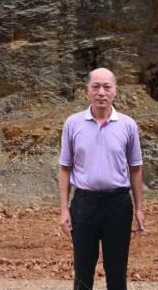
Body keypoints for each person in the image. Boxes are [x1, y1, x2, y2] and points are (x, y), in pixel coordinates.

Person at [59, 67, 144, 290]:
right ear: (87, 90)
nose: (101, 92)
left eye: (107, 87)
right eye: (95, 86)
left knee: (116, 270)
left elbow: (135, 168)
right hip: (84, 204)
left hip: (118, 204)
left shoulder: (128, 125)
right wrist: (64, 209)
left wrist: (139, 209)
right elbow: (65, 167)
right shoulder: (73, 123)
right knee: (83, 270)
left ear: (115, 90)